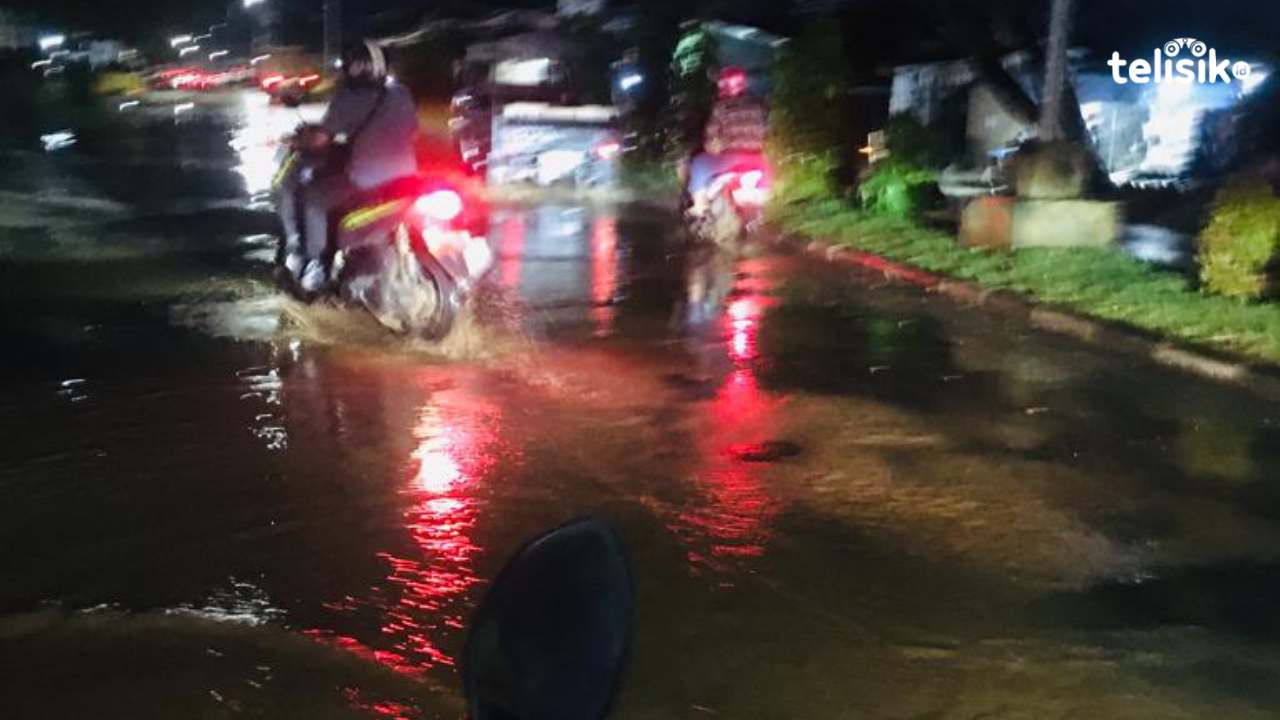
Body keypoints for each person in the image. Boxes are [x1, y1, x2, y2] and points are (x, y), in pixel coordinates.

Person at [278, 40, 419, 293]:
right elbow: (410, 130)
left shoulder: (349, 99)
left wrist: (297, 140)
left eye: (352, 65)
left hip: (368, 182)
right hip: (407, 177)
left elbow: (321, 138)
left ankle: (317, 266)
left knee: (314, 198)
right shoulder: (402, 93)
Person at [686, 67, 768, 216]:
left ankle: (699, 206)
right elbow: (766, 130)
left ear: (724, 85)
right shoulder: (759, 104)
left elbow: (711, 139)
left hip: (732, 159)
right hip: (758, 159)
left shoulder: (721, 107)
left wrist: (712, 148)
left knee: (698, 163)